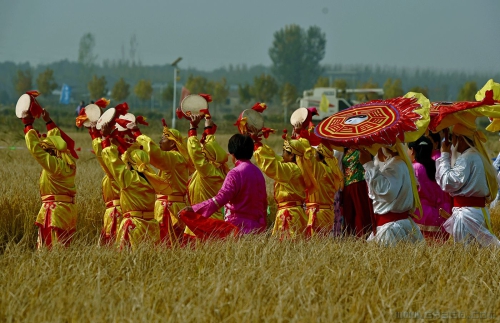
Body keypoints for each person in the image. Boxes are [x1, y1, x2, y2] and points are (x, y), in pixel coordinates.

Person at [185, 134, 268, 234]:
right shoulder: (258, 172)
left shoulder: (235, 173)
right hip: (257, 228)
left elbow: (221, 198)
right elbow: (263, 203)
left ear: (232, 153)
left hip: (237, 228)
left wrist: (195, 209)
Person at [435, 125, 500, 247]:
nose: (452, 142)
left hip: (467, 215)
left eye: (453, 138)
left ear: (460, 139)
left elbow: (448, 183)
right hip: (476, 212)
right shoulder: (477, 155)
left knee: (468, 253)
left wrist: (444, 156)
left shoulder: (467, 158)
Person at [100, 123, 160, 250]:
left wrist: (105, 139)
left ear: (131, 163)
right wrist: (116, 139)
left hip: (134, 226)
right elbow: (132, 158)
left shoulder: (130, 179)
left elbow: (112, 162)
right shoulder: (152, 177)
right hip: (151, 226)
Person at [23, 109, 77, 249]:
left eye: (47, 150)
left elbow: (35, 150)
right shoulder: (68, 163)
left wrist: (28, 124)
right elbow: (56, 140)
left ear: (52, 152)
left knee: (51, 248)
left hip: (53, 213)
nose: (45, 152)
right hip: (66, 211)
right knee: (64, 247)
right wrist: (48, 121)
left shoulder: (55, 166)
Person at [134, 120, 191, 246]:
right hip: (168, 206)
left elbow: (155, 154)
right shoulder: (175, 158)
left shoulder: (174, 158)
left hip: (169, 209)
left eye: (163, 138)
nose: (160, 141)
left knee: (168, 245)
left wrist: (136, 133)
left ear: (172, 143)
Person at [360, 143, 424, 246]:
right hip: (393, 226)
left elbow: (386, 192)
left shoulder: (395, 164)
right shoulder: (396, 163)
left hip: (390, 230)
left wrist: (368, 165)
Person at [253, 131, 307, 239]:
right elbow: (274, 158)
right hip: (294, 212)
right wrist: (258, 143)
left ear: (291, 155)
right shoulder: (296, 167)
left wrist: (256, 146)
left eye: (284, 152)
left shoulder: (291, 169)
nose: (282, 155)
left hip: (289, 215)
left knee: (288, 247)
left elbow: (272, 165)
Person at [185, 115, 229, 239]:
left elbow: (195, 153)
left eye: (204, 152)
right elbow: (211, 147)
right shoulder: (220, 169)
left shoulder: (208, 171)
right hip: (214, 221)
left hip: (203, 222)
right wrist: (208, 129)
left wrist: (192, 128)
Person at [408, 136, 450, 241]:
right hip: (441, 215)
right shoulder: (439, 166)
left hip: (420, 215)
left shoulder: (414, 168)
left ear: (412, 150)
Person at [89, 128, 122, 245]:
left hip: (117, 215)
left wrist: (95, 133)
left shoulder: (117, 171)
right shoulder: (117, 170)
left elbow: (100, 155)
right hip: (113, 213)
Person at [341, 148, 375, 237]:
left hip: (360, 183)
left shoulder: (363, 148)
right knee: (349, 216)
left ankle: (365, 237)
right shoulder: (344, 150)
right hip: (347, 185)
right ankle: (350, 240)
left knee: (362, 214)